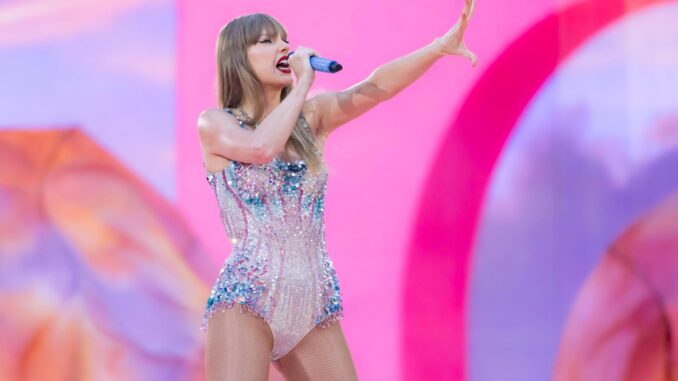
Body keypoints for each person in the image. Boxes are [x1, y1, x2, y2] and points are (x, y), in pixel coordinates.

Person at [197, 1, 477, 379]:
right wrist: (303, 87)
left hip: (314, 302)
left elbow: (375, 88)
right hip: (247, 299)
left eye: (285, 40)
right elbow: (260, 149)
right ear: (238, 58)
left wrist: (437, 48)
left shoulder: (312, 118)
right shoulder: (216, 124)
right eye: (267, 41)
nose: (284, 47)